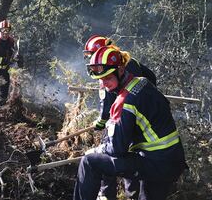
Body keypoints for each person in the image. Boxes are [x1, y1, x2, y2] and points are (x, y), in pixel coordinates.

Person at [73, 46, 187, 200]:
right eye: (100, 79)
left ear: (120, 70)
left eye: (108, 78)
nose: (104, 84)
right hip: (172, 160)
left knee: (89, 162)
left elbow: (116, 150)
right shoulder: (143, 82)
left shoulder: (124, 102)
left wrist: (97, 150)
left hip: (153, 163)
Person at [83, 35, 158, 199]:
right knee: (132, 154)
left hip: (121, 117)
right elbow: (151, 77)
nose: (92, 61)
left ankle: (106, 195)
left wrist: (101, 123)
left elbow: (107, 104)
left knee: (109, 152)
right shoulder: (126, 60)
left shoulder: (106, 70)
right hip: (139, 121)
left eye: (92, 55)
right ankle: (131, 195)